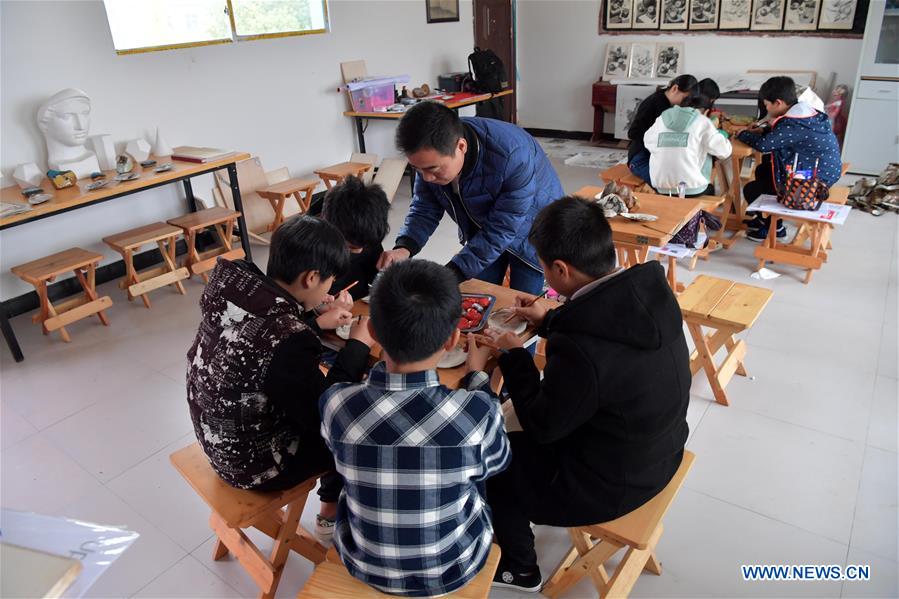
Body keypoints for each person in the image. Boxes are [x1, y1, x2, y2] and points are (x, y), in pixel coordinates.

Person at [483, 196, 690, 591]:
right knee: (514, 422)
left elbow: (543, 425)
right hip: (663, 451)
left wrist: (514, 356)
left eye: (544, 268)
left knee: (491, 456)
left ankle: (520, 567)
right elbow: (602, 328)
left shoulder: (580, 350)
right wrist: (551, 318)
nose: (544, 276)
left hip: (614, 485)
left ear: (559, 269)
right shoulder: (649, 292)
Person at [320, 259, 511, 597]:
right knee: (473, 476)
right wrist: (478, 377)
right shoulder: (477, 412)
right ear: (453, 338)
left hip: (363, 562)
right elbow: (497, 462)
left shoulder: (337, 404)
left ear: (374, 333)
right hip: (454, 567)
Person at [186, 216, 373, 539]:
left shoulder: (235, 290)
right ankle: (338, 519)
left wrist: (312, 323)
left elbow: (260, 347)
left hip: (211, 434)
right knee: (359, 431)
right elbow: (327, 411)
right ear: (312, 277)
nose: (329, 291)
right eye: (328, 282)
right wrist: (358, 345)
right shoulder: (287, 337)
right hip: (252, 466)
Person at [377, 101, 563, 295]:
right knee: (478, 295)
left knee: (521, 302)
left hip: (531, 227)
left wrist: (450, 274)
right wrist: (404, 247)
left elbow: (501, 229)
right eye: (417, 169)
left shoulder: (513, 156)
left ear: (461, 146)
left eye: (432, 169)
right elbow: (424, 207)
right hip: (485, 227)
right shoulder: (433, 153)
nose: (426, 178)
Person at [737, 76, 842, 241]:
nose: (766, 109)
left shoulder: (793, 123)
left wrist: (742, 134)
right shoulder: (806, 113)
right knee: (763, 169)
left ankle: (775, 228)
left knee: (752, 189)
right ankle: (766, 219)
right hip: (826, 170)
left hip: (814, 182)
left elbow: (764, 145)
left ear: (778, 103)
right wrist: (764, 131)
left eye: (766, 105)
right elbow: (787, 137)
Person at [643, 92, 732, 197]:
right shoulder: (702, 121)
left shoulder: (662, 119)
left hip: (661, 186)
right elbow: (725, 152)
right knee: (707, 156)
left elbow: (647, 141)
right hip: (692, 188)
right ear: (707, 111)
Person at [320, 175, 390, 301]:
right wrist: (319, 310)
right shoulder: (306, 249)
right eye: (351, 247)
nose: (359, 251)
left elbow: (374, 274)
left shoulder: (365, 233)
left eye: (364, 246)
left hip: (358, 302)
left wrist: (387, 273)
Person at [627, 75, 699, 185]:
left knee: (686, 178)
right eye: (685, 99)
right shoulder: (654, 103)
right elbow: (633, 133)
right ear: (674, 89)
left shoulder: (670, 105)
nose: (686, 104)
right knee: (671, 183)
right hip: (640, 158)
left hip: (656, 158)